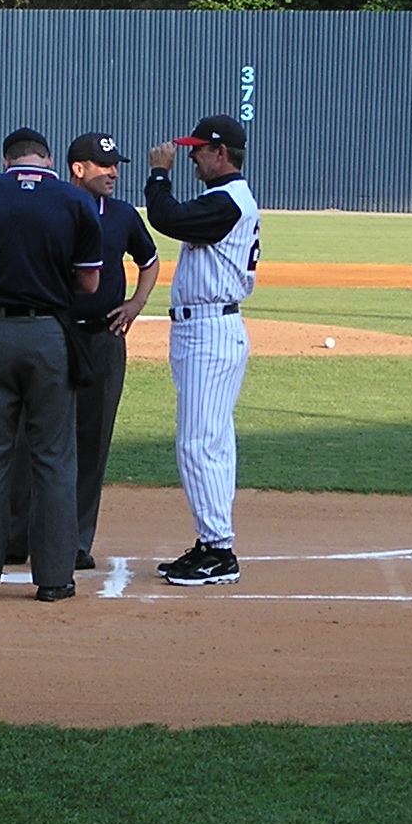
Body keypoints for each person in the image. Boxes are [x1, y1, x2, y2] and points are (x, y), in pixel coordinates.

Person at [0, 129, 104, 602]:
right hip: (51, 334)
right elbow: (89, 282)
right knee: (53, 457)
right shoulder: (73, 201)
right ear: (48, 159)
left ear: (6, 158)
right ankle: (54, 578)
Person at [4, 134, 162, 570]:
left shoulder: (123, 215)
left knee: (91, 442)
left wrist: (136, 304)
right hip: (51, 334)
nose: (113, 172)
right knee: (26, 436)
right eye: (104, 165)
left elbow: (149, 260)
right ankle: (16, 536)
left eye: (115, 165)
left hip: (102, 338)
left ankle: (74, 540)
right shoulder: (49, 207)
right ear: (78, 168)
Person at [145, 114, 259, 585]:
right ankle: (213, 541)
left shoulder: (229, 201)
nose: (191, 154)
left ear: (220, 153)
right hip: (207, 331)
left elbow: (165, 216)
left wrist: (158, 173)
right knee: (213, 443)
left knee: (198, 444)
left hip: (211, 333)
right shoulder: (222, 200)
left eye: (198, 149)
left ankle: (218, 550)